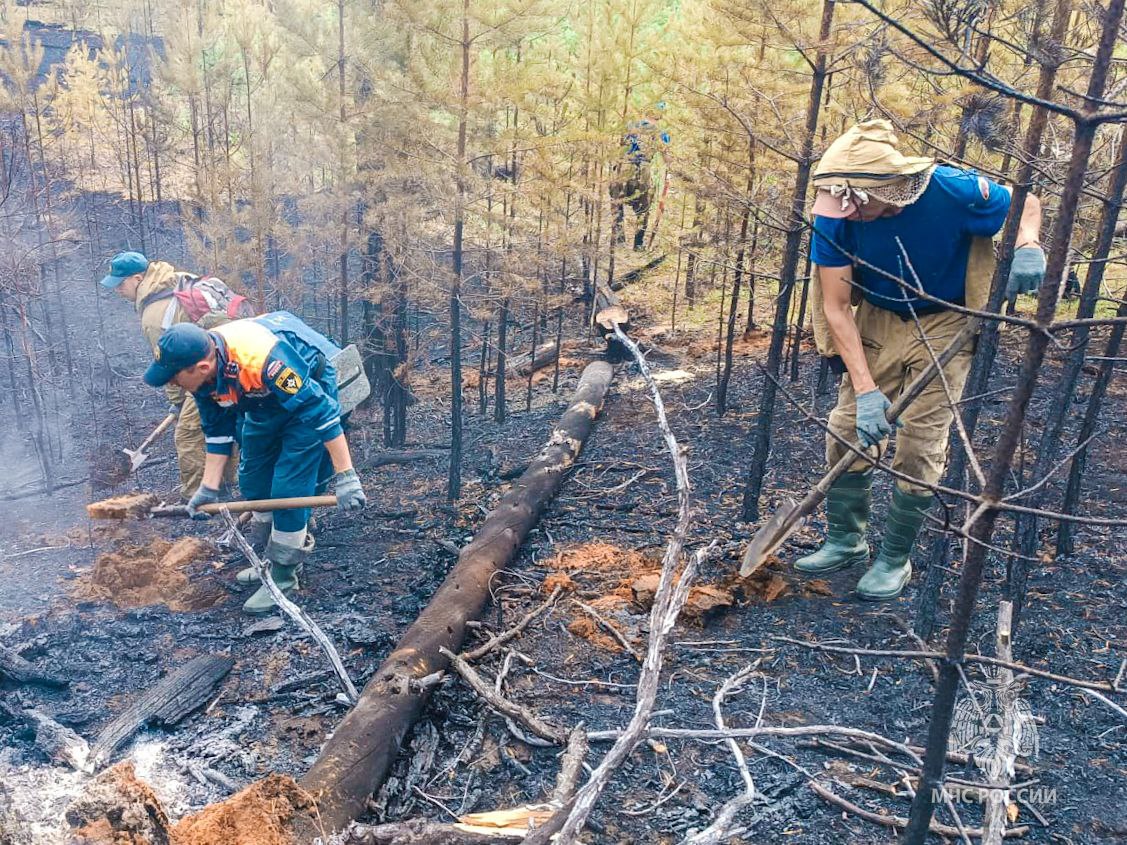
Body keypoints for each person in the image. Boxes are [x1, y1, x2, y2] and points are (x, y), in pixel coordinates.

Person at [800, 120, 1045, 600]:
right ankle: (846, 540)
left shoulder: (953, 190)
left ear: (883, 188)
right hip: (876, 317)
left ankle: (894, 557)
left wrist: (1028, 244)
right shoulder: (835, 213)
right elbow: (835, 308)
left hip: (949, 318)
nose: (845, 212)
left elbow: (1025, 202)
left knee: (920, 442)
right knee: (847, 427)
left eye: (854, 203)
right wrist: (867, 391)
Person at [142, 311, 367, 614]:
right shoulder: (203, 381)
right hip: (263, 402)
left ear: (202, 366)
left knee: (289, 490)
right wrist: (207, 488)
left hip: (308, 392)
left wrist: (347, 477)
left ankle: (284, 576)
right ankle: (270, 557)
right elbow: (217, 433)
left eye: (173, 377)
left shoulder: (265, 360)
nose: (172, 383)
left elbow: (322, 415)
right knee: (254, 480)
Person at [100, 251, 249, 496]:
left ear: (138, 278)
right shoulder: (174, 279)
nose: (117, 289)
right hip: (236, 354)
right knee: (222, 420)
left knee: (189, 434)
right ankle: (226, 482)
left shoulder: (154, 316)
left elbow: (171, 366)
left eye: (121, 282)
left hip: (210, 365)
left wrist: (178, 403)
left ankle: (199, 496)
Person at [611, 112, 670, 251]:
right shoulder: (660, 132)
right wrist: (669, 174)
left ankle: (619, 240)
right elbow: (667, 156)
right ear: (658, 117)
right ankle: (638, 244)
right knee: (643, 208)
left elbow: (616, 147)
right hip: (643, 171)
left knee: (616, 203)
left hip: (622, 168)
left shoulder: (629, 126)